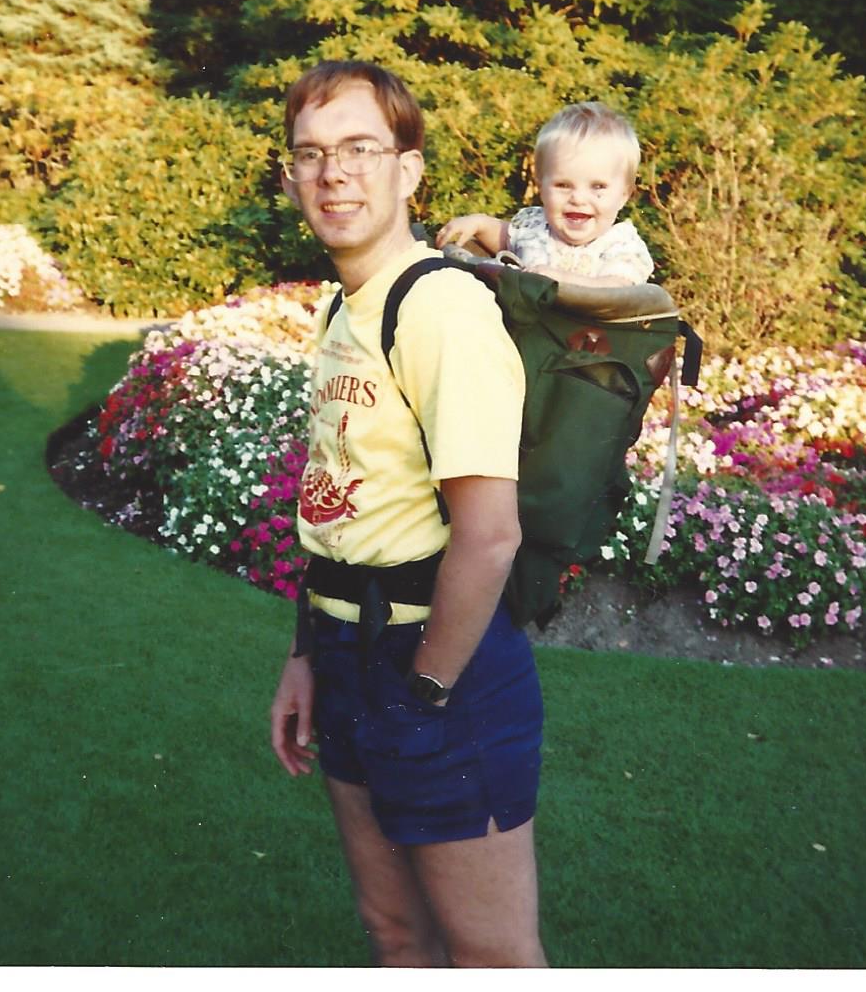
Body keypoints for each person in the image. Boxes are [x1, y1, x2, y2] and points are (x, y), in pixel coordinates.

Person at [267, 60, 548, 968]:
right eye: (310, 154)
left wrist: (424, 690)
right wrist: (305, 656)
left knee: (491, 957)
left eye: (359, 148)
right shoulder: (343, 309)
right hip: (348, 657)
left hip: (438, 666)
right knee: (395, 935)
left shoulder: (439, 307)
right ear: (291, 178)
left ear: (409, 170)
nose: (333, 173)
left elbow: (490, 533)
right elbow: (343, 505)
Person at [435, 101, 655, 290]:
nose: (578, 199)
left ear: (624, 195)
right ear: (541, 187)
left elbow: (618, 289)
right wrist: (479, 223)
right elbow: (505, 238)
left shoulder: (621, 245)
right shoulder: (536, 227)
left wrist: (562, 279)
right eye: (563, 185)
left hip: (585, 326)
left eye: (598, 187)